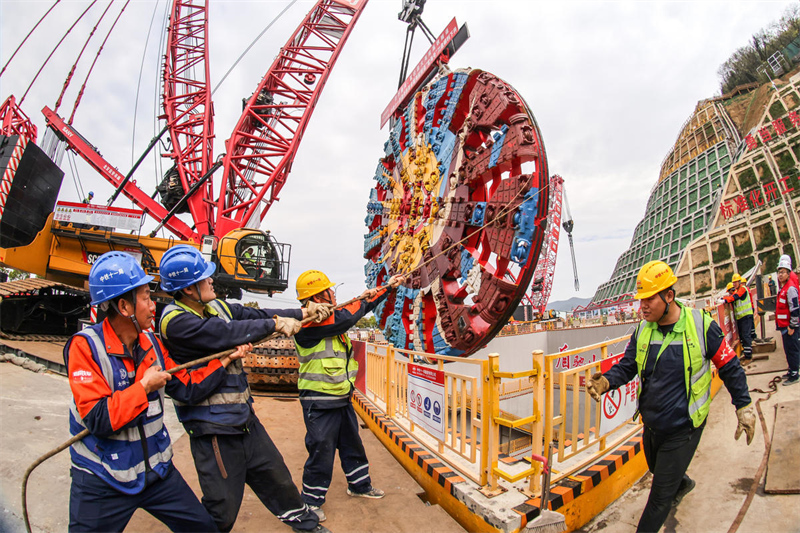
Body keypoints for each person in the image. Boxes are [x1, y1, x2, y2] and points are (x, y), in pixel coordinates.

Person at [65, 251, 250, 532]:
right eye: (146, 298)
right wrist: (143, 387)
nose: (154, 305)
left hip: (157, 474)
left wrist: (224, 360)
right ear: (125, 307)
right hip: (103, 479)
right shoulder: (85, 347)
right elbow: (98, 419)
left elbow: (187, 388)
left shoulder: (152, 343)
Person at [157, 245, 332, 533]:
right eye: (205, 278)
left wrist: (303, 311)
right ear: (188, 290)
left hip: (244, 420)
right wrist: (276, 324)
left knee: (278, 480)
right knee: (222, 507)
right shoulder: (176, 322)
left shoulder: (216, 307)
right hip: (213, 429)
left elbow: (255, 315)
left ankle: (307, 526)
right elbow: (224, 334)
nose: (212, 280)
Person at [587, 260, 755, 533]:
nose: (642, 306)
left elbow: (730, 366)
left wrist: (744, 406)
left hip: (684, 427)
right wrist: (606, 381)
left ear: (669, 296)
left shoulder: (701, 326)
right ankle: (683, 483)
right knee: (656, 466)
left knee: (658, 501)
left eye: (649, 299)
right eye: (640, 300)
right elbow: (628, 365)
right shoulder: (643, 330)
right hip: (652, 425)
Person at [292, 270, 404, 520]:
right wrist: (376, 295)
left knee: (352, 444)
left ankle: (359, 485)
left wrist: (382, 290)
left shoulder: (328, 318)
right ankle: (310, 501)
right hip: (319, 399)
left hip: (340, 397)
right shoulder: (308, 323)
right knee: (321, 449)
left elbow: (347, 314)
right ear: (320, 296)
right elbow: (348, 317)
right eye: (329, 290)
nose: (334, 293)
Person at [776, 254, 799, 386]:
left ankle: (795, 374)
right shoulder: (784, 288)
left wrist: (792, 326)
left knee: (793, 350)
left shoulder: (790, 288)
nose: (780, 275)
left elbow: (795, 309)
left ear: (788, 273)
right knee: (788, 350)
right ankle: (791, 370)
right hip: (784, 326)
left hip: (789, 327)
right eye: (779, 272)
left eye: (783, 272)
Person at [721, 273, 755, 361]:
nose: (735, 284)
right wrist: (723, 298)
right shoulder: (737, 290)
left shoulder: (742, 289)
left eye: (736, 282)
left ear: (739, 282)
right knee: (743, 336)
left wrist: (724, 300)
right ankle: (746, 353)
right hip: (741, 317)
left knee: (746, 335)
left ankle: (748, 356)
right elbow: (732, 296)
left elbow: (735, 297)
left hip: (745, 316)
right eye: (734, 283)